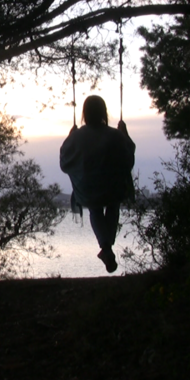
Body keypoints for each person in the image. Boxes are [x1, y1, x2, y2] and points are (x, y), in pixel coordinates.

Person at [60, 95, 135, 273]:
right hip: (113, 188)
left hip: (89, 190)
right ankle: (106, 247)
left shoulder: (77, 137)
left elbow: (64, 160)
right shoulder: (115, 135)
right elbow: (128, 157)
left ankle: (106, 248)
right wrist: (124, 133)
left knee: (95, 209)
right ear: (103, 112)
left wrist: (70, 136)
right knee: (113, 206)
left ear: (85, 113)